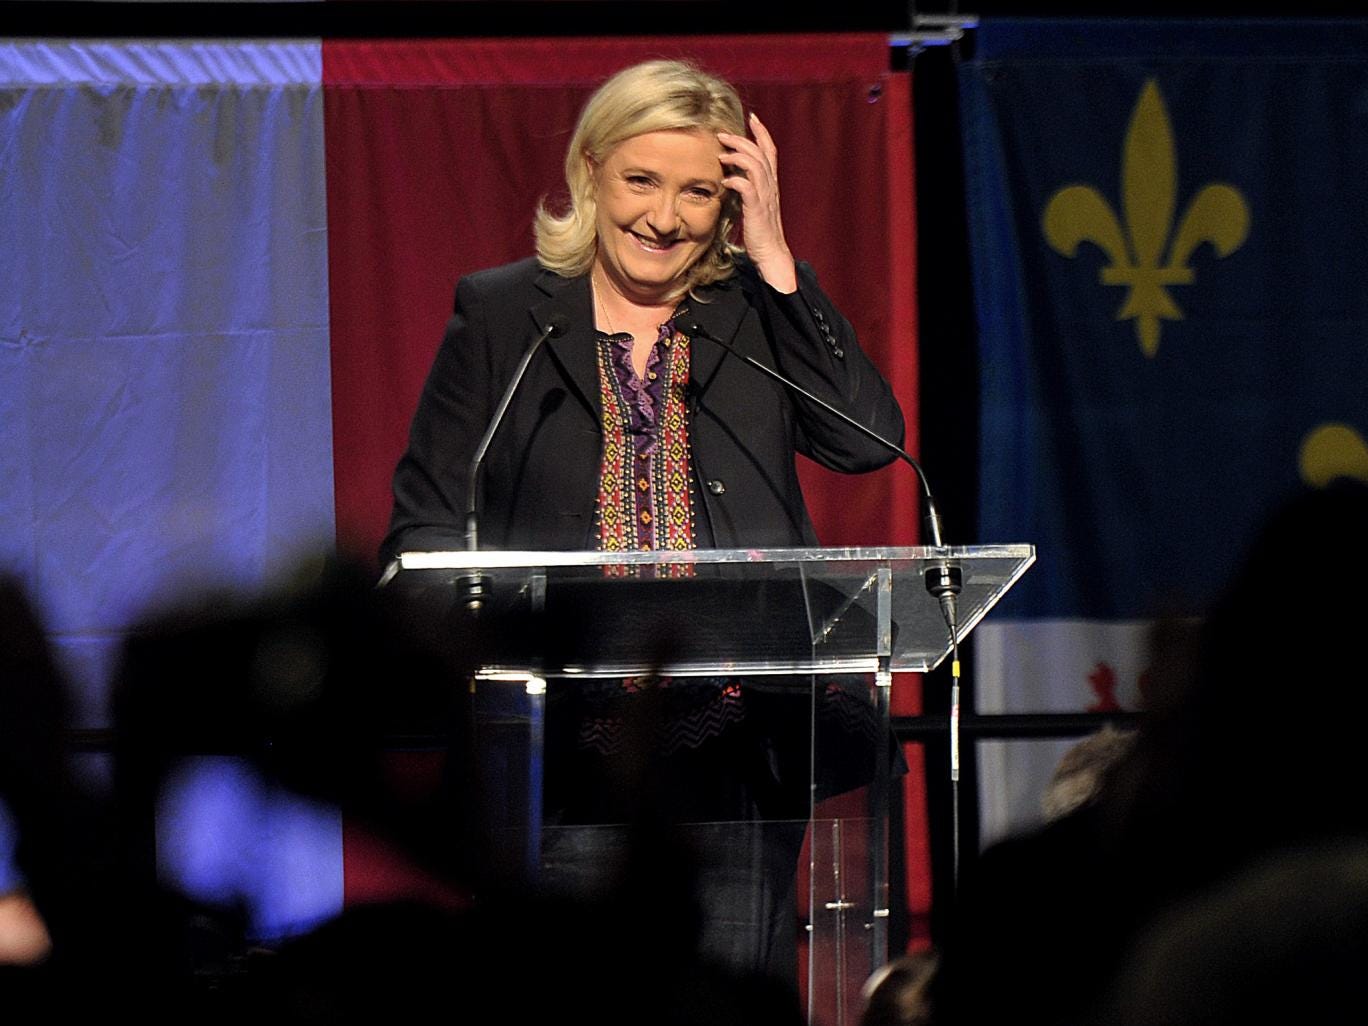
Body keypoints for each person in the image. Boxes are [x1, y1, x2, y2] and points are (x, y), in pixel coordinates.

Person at [381, 59, 905, 988]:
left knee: (723, 1002)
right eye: (642, 181)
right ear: (590, 171)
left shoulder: (755, 306)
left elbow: (868, 444)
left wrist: (779, 262)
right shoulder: (503, 314)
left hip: (738, 754)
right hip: (557, 760)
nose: (665, 217)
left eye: (700, 191)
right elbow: (424, 531)